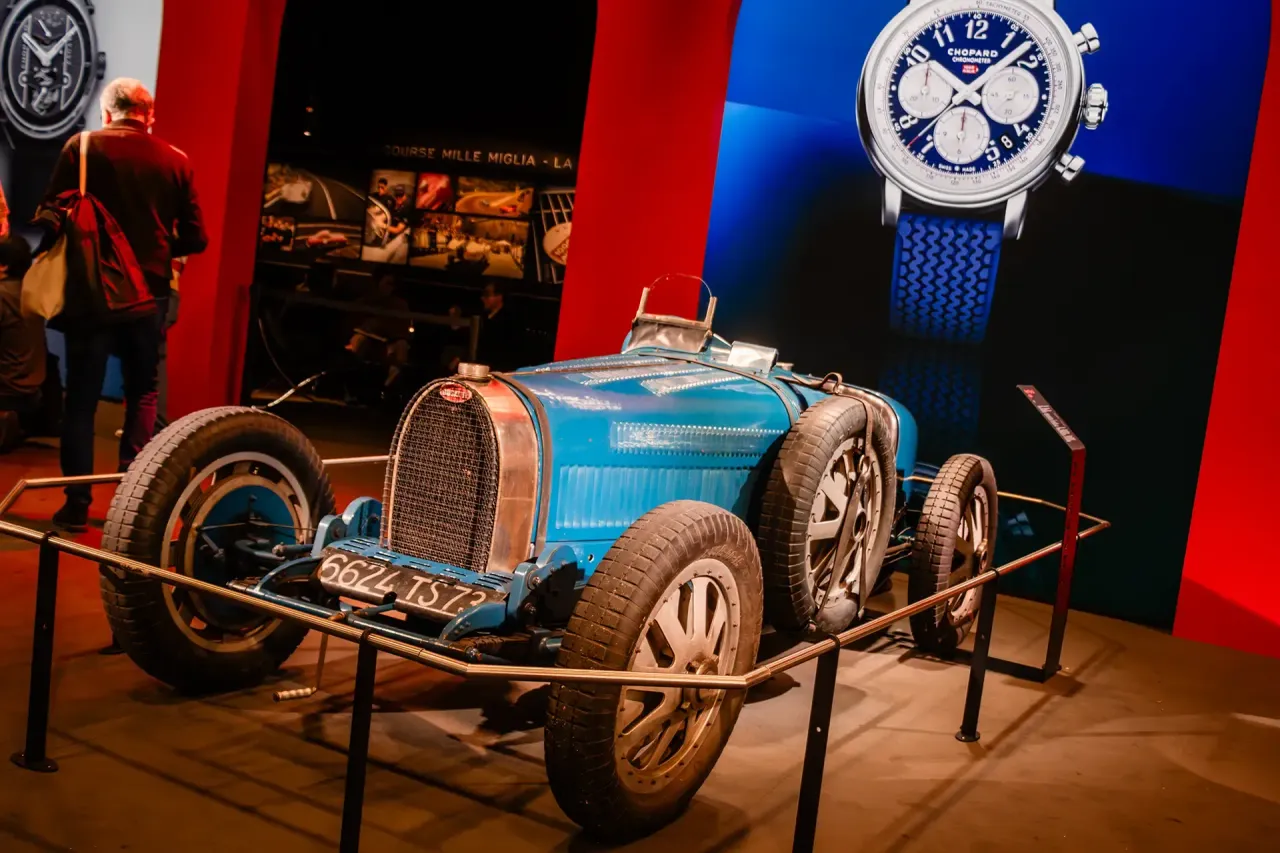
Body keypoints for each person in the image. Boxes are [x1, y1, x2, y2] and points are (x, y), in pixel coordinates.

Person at [35, 78, 207, 532]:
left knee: (81, 402)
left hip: (91, 295)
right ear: (149, 116)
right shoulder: (176, 161)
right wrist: (157, 249)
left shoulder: (82, 147)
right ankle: (129, 503)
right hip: (149, 295)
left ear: (107, 112)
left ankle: (76, 505)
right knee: (143, 394)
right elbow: (197, 238)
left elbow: (50, 216)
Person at [0, 237, 46, 446]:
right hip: (32, 388)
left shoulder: (2, 294)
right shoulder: (31, 292)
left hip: (7, 387)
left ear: (3, 266)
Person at [477, 281, 521, 371]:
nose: (483, 298)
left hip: (498, 368)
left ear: (499, 297)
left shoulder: (508, 320)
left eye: (487, 295)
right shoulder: (484, 316)